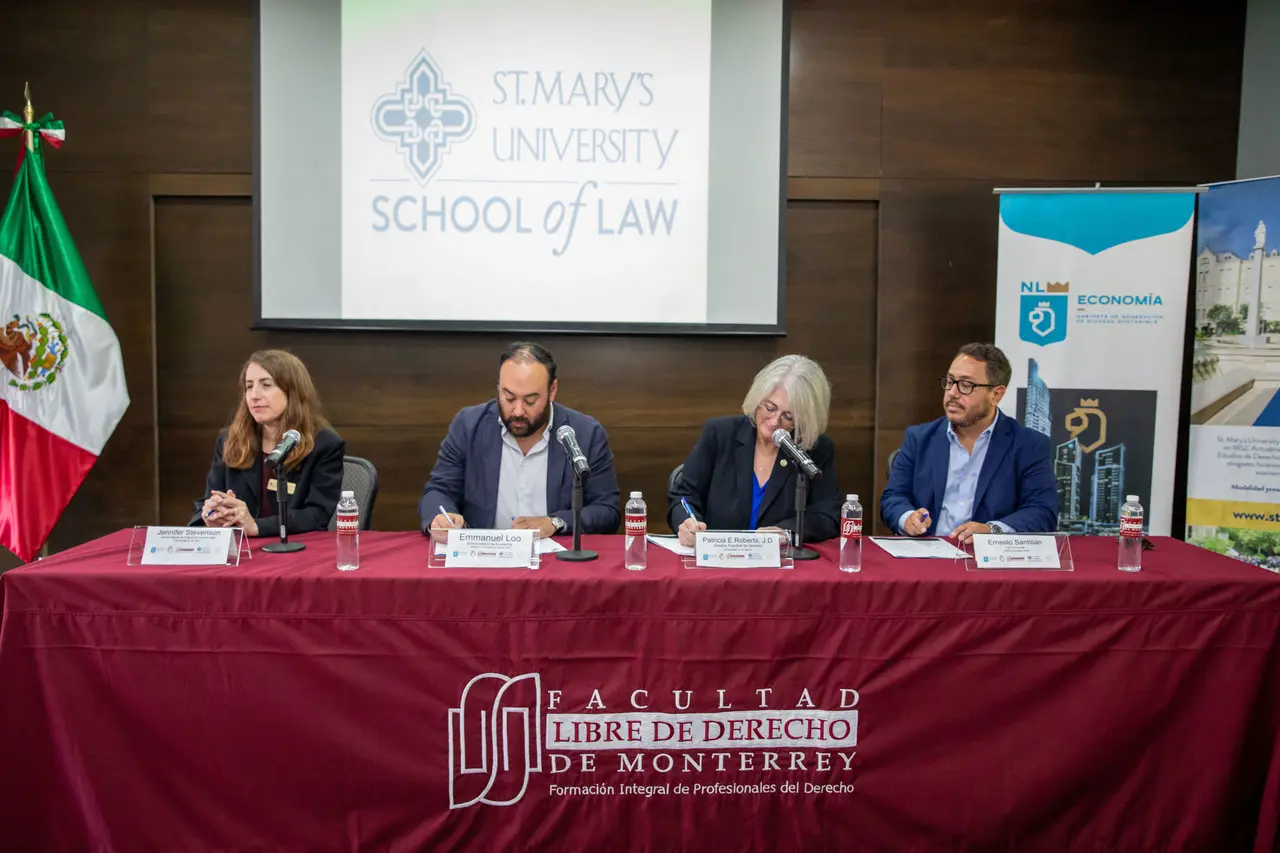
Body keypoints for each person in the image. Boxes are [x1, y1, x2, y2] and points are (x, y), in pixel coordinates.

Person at [420, 342, 621, 539]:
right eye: (508, 397)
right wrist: (441, 517)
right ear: (499, 387)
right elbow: (439, 491)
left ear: (552, 390)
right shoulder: (468, 426)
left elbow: (607, 511)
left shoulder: (585, 433)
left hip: (555, 563)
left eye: (530, 401)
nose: (517, 411)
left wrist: (555, 522)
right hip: (483, 560)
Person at [879, 342, 1058, 543]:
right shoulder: (919, 438)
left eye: (966, 385)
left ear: (996, 395)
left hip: (989, 562)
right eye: (949, 381)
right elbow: (893, 498)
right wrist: (907, 519)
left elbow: (1042, 512)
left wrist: (992, 530)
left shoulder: (1028, 445)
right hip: (927, 556)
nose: (952, 393)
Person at [668, 354, 840, 546]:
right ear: (757, 400)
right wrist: (685, 522)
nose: (775, 422)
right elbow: (684, 495)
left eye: (788, 416)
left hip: (780, 565)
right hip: (717, 559)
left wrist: (786, 532)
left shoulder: (815, 450)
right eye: (770, 408)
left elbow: (827, 515)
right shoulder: (720, 434)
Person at [192, 350, 346, 537]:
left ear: (292, 391)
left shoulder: (324, 445)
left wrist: (256, 526)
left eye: (266, 385)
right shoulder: (229, 440)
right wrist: (211, 515)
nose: (254, 395)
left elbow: (316, 515)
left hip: (294, 552)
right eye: (249, 386)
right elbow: (208, 500)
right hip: (239, 552)